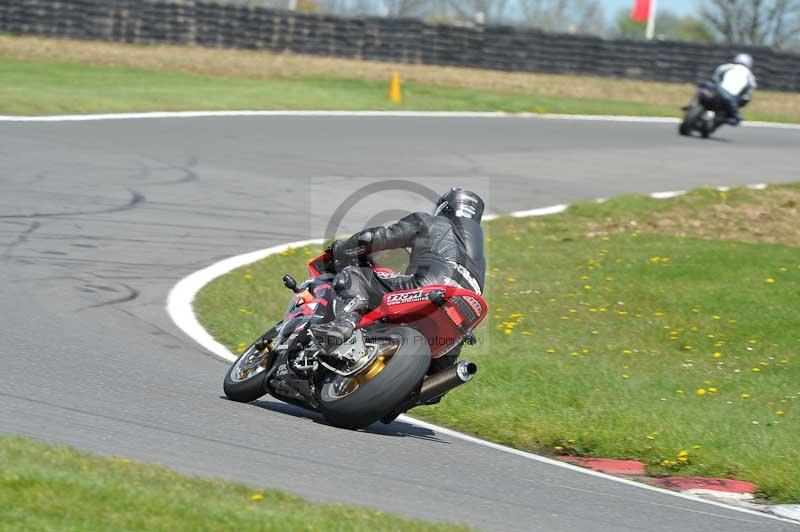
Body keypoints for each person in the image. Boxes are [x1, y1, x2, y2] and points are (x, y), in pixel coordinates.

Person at [310, 187, 486, 369]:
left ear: (444, 209)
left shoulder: (432, 222)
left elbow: (376, 237)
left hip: (429, 288)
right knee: (441, 360)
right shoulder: (480, 262)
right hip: (462, 312)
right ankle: (436, 378)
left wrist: (341, 249)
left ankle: (343, 325)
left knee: (355, 276)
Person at [712, 53, 757, 126]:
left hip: (718, 89)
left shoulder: (730, 66)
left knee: (703, 88)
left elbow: (719, 69)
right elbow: (752, 86)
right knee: (737, 119)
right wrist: (746, 95)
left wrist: (716, 80)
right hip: (730, 97)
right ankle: (722, 119)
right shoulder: (749, 74)